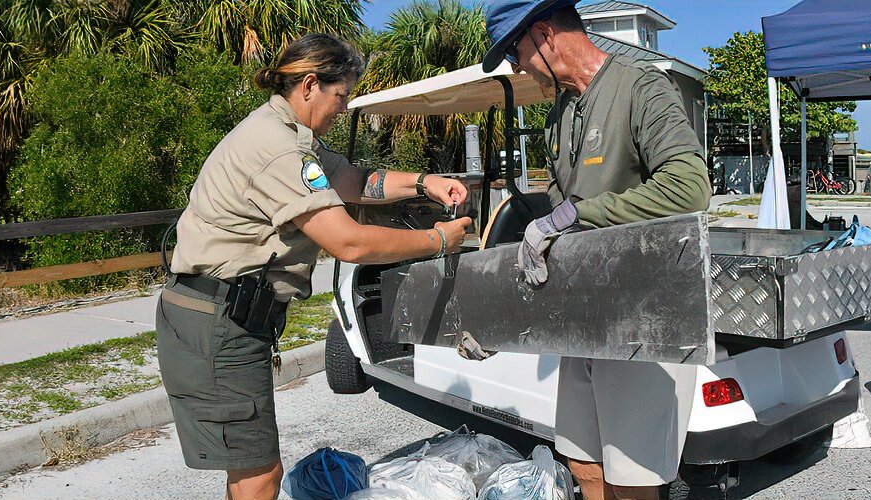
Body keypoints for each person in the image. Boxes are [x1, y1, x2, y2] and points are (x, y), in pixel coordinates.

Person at [158, 33, 473, 500]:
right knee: (260, 477)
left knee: (249, 473)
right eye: (341, 95)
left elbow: (352, 181)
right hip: (217, 323)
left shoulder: (292, 137)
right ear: (309, 85)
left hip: (227, 318)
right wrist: (436, 241)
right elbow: (348, 243)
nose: (344, 108)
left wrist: (424, 183)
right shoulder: (279, 149)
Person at [481, 1, 711, 499]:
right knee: (582, 463)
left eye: (515, 53)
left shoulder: (641, 86)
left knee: (632, 482)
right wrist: (500, 318)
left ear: (543, 33)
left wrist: (579, 215)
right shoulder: (558, 117)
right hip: (585, 322)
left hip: (646, 320)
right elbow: (559, 242)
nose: (516, 67)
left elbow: (690, 187)